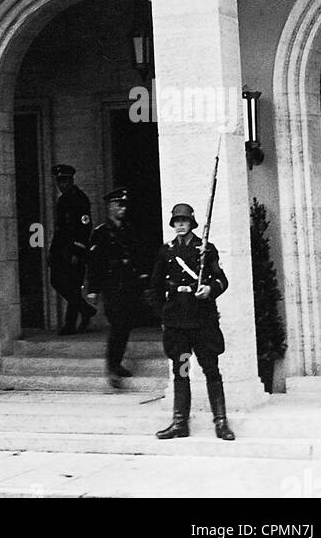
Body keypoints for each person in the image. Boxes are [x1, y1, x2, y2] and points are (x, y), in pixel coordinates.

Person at [148, 201, 235, 441]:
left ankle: (221, 422)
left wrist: (209, 289)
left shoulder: (206, 249)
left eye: (184, 221)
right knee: (182, 371)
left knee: (211, 370)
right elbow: (154, 288)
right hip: (178, 325)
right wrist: (163, 315)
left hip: (202, 322)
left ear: (192, 223)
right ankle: (179, 423)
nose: (180, 225)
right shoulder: (166, 252)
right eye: (176, 222)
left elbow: (222, 280)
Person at [86, 187, 148, 388]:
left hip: (129, 284)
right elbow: (94, 263)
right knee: (118, 324)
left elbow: (137, 255)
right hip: (111, 286)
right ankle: (112, 367)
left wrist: (143, 277)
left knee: (126, 325)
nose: (123, 208)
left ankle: (117, 363)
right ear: (110, 206)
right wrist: (93, 289)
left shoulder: (129, 228)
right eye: (119, 205)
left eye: (125, 205)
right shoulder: (101, 232)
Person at [48, 164, 96, 334]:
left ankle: (70, 324)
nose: (62, 185)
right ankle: (86, 310)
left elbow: (85, 226)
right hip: (61, 250)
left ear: (72, 180)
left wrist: (77, 251)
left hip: (74, 250)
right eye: (59, 181)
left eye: (65, 181)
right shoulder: (63, 199)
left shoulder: (79, 198)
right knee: (57, 281)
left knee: (73, 286)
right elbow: (61, 229)